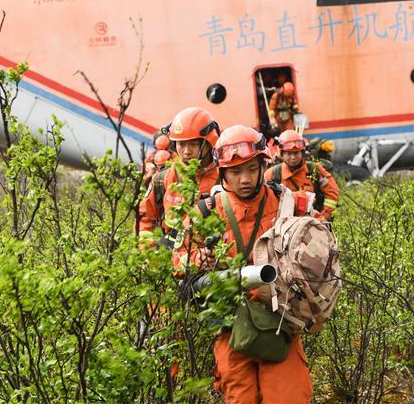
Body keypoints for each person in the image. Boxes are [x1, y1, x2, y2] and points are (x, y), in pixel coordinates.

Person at [176, 125, 313, 404]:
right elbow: (178, 258)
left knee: (289, 397)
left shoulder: (287, 202)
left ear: (263, 165)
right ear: (222, 173)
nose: (245, 179)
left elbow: (322, 248)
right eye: (236, 172)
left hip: (279, 321)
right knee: (240, 398)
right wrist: (197, 259)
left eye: (251, 169)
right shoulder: (206, 211)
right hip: (231, 326)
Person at [138, 107, 220, 243]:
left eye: (194, 144)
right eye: (181, 144)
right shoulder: (162, 179)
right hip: (169, 257)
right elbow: (146, 219)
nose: (187, 151)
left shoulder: (224, 179)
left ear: (210, 142)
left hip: (210, 259)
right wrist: (149, 256)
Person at [265, 129, 339, 222]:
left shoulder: (314, 169)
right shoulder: (272, 175)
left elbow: (332, 193)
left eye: (296, 152)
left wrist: (324, 217)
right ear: (281, 154)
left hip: (313, 225)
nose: (293, 157)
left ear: (302, 152)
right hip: (283, 228)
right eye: (288, 153)